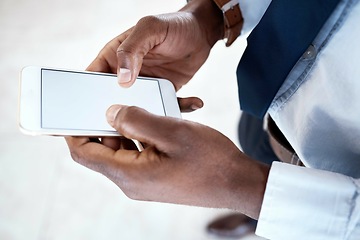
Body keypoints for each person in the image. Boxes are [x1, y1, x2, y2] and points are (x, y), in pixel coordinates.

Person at [65, 0, 360, 239]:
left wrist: (240, 186)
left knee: (280, 209)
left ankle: (267, 212)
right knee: (251, 143)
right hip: (269, 106)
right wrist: (209, 16)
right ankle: (256, 215)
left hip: (334, 184)